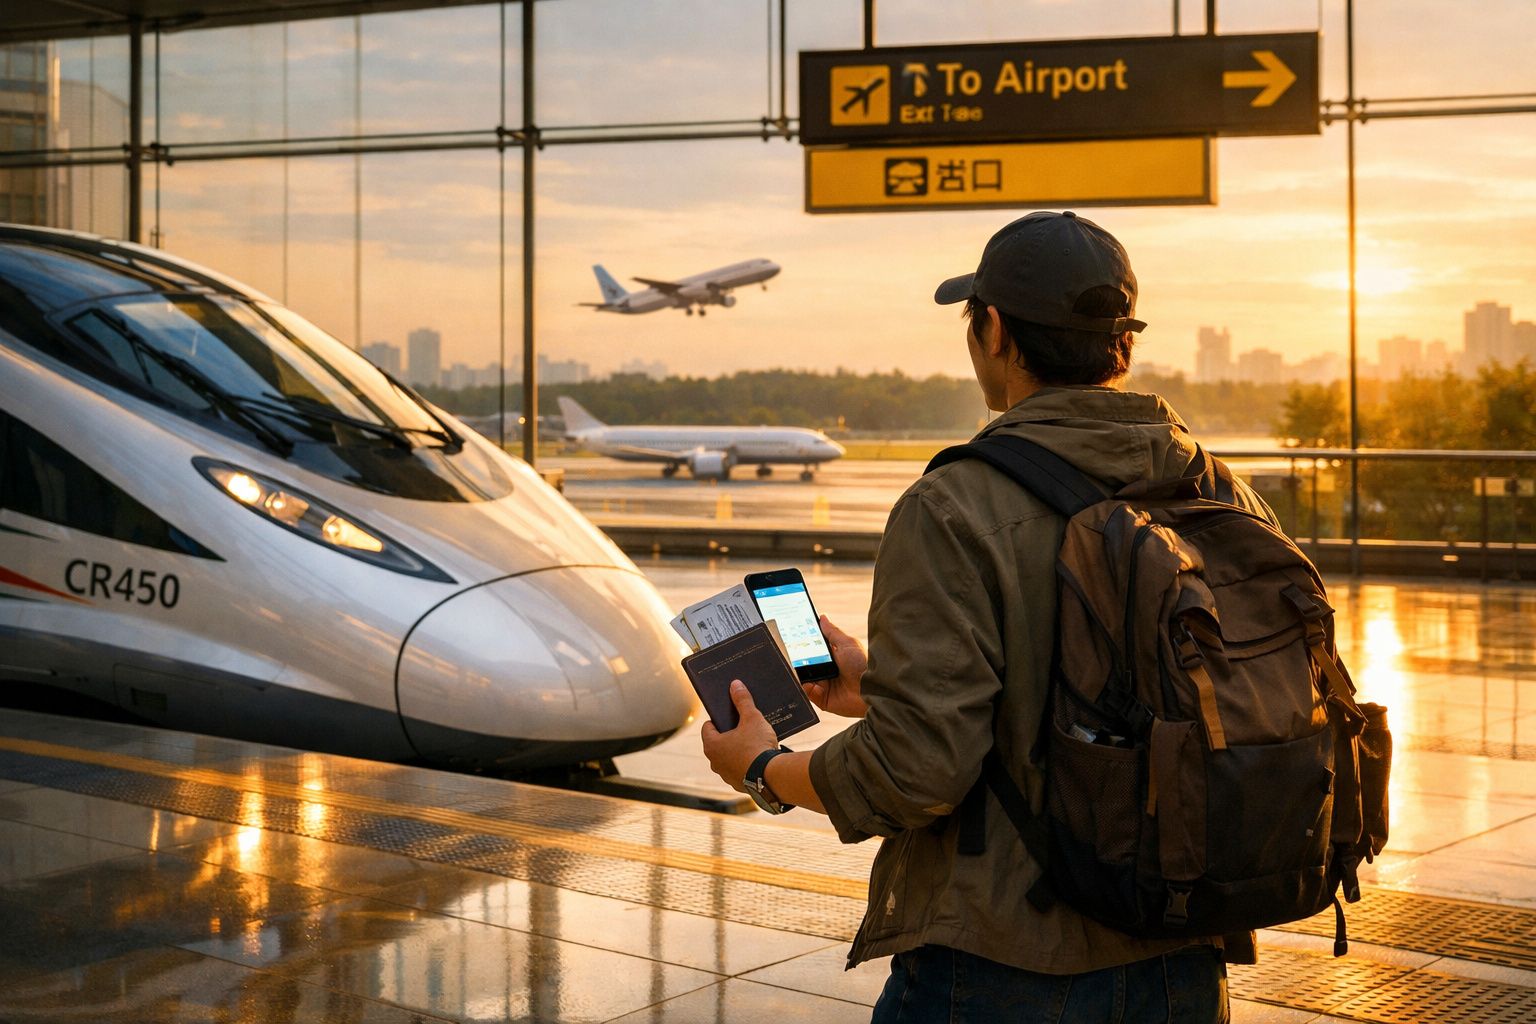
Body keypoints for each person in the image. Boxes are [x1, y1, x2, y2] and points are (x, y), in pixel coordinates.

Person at [702, 211, 1271, 1023]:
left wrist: (764, 769)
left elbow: (917, 772)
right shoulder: (1221, 490)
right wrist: (879, 687)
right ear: (1123, 343)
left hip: (1004, 967)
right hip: (1187, 966)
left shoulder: (954, 506)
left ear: (994, 330)